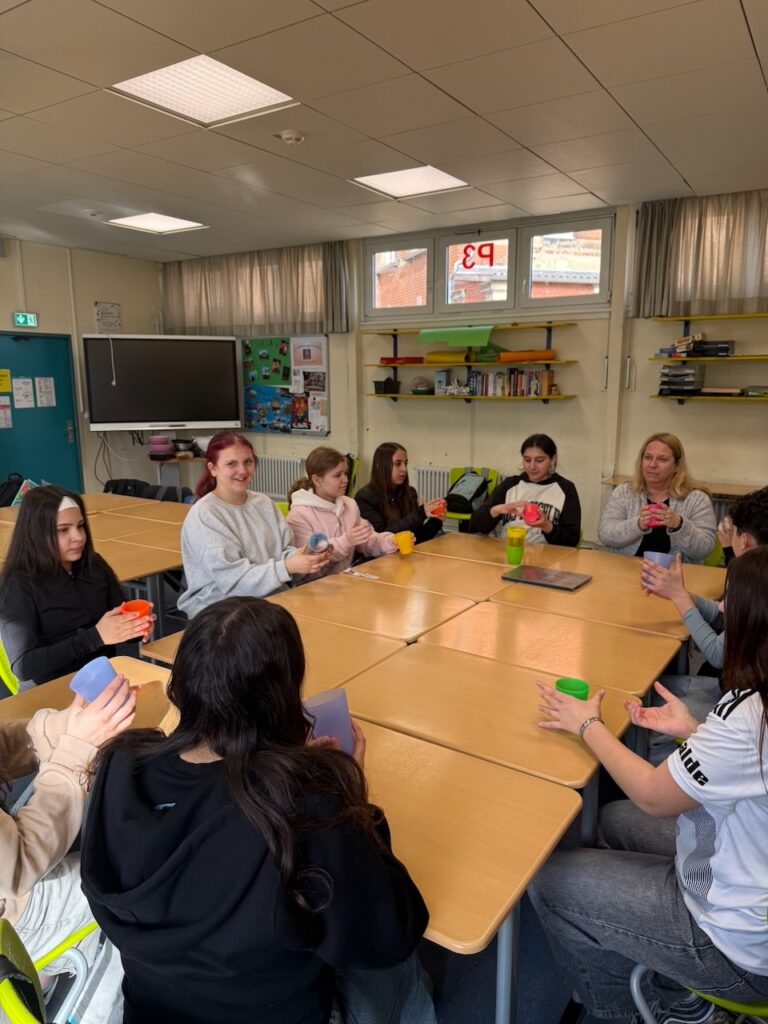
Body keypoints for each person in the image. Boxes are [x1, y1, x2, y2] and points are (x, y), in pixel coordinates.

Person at [80, 597, 435, 1024]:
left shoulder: (120, 765)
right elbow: (394, 934)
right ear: (283, 694)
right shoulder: (302, 804)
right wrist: (348, 799)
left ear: (183, 683)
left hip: (151, 1010)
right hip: (275, 1011)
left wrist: (292, 768)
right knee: (403, 969)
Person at [529, 546, 768, 1023]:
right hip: (740, 870)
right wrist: (694, 730)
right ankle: (635, 945)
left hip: (738, 950)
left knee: (548, 880)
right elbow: (748, 768)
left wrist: (586, 724)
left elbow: (653, 796)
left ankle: (624, 1010)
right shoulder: (754, 709)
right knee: (612, 819)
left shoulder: (749, 717)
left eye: (730, 603)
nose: (721, 609)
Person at [2, 675, 136, 1024]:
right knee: (131, 880)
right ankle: (89, 1011)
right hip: (12, 910)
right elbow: (20, 864)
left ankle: (43, 972)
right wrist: (76, 748)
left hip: (11, 884)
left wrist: (69, 728)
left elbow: (6, 745)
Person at [638, 486, 768, 764]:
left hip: (742, 708)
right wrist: (685, 595)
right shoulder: (760, 575)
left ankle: (670, 773)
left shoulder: (754, 583)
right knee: (652, 687)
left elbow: (719, 654)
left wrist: (679, 598)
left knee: (645, 702)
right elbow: (724, 617)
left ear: (744, 540)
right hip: (746, 696)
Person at [0, 486, 152, 689]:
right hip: (50, 688)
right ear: (36, 534)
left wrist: (135, 627)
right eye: (63, 530)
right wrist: (96, 637)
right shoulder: (17, 585)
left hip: (102, 677)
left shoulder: (94, 565)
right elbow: (24, 666)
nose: (78, 537)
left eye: (80, 526)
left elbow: (119, 616)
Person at [177, 432, 329, 618]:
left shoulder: (263, 503)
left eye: (248, 462)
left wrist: (303, 557)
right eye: (231, 464)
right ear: (213, 469)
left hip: (271, 601)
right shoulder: (205, 515)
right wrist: (287, 567)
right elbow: (234, 581)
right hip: (223, 613)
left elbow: (283, 552)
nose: (242, 470)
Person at [598, 433, 716, 562]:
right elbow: (605, 535)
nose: (652, 464)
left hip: (676, 571)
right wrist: (638, 524)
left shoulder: (697, 499)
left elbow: (705, 548)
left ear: (677, 466)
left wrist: (679, 525)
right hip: (626, 568)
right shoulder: (624, 493)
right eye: (648, 457)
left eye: (662, 459)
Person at [287, 446, 396, 580]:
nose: (345, 480)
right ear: (317, 480)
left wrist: (391, 541)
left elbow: (367, 540)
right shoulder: (299, 515)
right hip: (312, 586)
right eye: (338, 475)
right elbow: (310, 562)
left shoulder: (349, 504)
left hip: (343, 580)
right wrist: (346, 541)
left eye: (345, 473)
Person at [469, 433, 581, 546]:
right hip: (510, 551)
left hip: (547, 554)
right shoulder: (510, 485)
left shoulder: (566, 489)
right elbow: (475, 525)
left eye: (539, 460)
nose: (532, 466)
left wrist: (547, 526)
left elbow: (572, 540)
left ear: (553, 459)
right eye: (527, 460)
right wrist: (495, 511)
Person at [355, 442, 445, 544]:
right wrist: (420, 514)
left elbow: (416, 539)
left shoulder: (410, 492)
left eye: (405, 463)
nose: (404, 469)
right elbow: (383, 540)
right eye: (397, 464)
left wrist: (435, 521)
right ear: (381, 466)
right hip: (383, 554)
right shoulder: (365, 498)